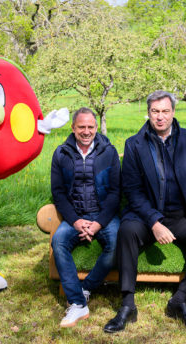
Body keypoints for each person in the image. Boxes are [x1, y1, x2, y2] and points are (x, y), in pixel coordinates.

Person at [103, 90, 186, 333]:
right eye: (155, 111)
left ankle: (180, 299)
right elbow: (133, 190)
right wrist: (154, 223)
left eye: (165, 111)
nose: (160, 117)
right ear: (148, 113)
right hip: (146, 216)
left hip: (183, 215)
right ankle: (127, 304)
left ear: (173, 113)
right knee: (126, 231)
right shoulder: (134, 144)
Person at [50, 107, 121, 328]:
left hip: (103, 216)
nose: (87, 131)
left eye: (91, 126)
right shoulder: (61, 153)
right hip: (76, 216)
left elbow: (115, 192)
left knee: (118, 241)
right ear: (73, 128)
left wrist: (99, 223)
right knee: (59, 241)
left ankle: (86, 287)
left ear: (96, 127)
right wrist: (76, 221)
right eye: (82, 127)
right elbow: (59, 193)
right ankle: (78, 304)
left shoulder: (109, 151)